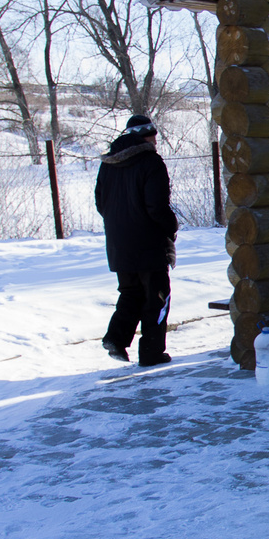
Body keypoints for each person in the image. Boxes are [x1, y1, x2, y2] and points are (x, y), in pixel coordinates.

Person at [95, 113, 178, 367]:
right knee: (157, 297)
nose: (156, 141)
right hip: (148, 244)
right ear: (148, 136)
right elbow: (156, 206)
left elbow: (100, 203)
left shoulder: (108, 163)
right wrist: (170, 227)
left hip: (118, 244)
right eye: (154, 136)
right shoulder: (151, 162)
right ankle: (152, 353)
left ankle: (116, 338)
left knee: (131, 293)